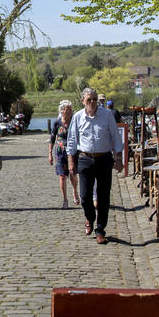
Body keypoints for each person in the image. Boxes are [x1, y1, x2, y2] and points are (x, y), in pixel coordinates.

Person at [66, 87, 124, 245]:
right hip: (85, 158)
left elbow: (115, 136)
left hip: (104, 158)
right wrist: (71, 161)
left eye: (94, 99)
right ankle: (90, 218)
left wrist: (118, 157)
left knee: (104, 196)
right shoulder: (78, 117)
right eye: (89, 99)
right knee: (85, 197)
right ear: (83, 101)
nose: (92, 102)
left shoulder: (107, 115)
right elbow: (71, 140)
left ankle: (100, 230)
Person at [48, 100, 80, 209]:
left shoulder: (74, 121)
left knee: (73, 174)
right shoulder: (57, 122)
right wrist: (50, 154)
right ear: (62, 111)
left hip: (72, 151)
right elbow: (52, 138)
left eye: (71, 109)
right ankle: (65, 200)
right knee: (62, 176)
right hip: (60, 152)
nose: (71, 111)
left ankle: (75, 190)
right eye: (68, 110)